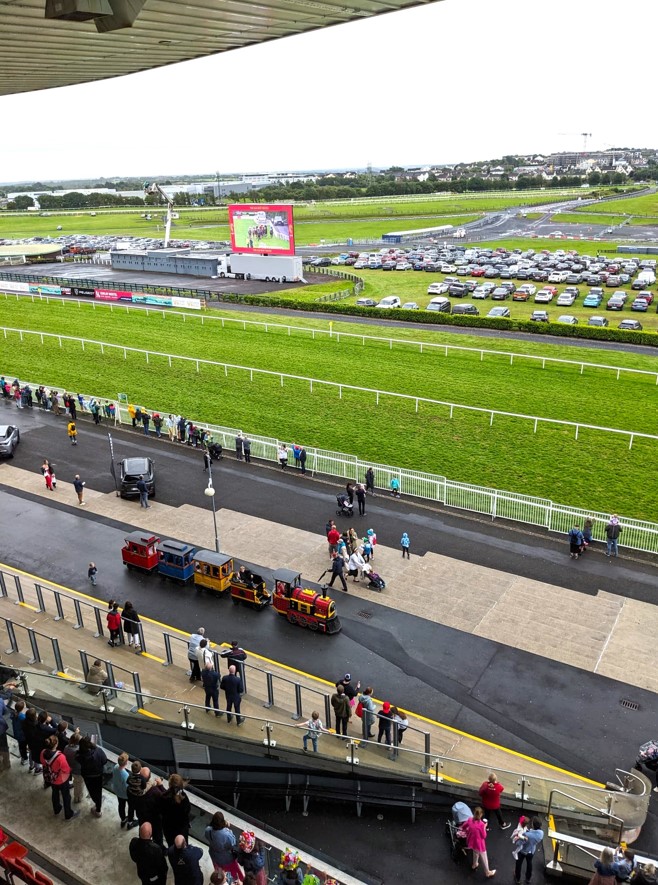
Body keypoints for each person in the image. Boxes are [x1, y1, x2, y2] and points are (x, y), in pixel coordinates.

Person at [41, 733, 78, 820]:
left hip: (51, 778)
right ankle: (68, 814)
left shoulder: (43, 752)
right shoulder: (60, 757)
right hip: (61, 779)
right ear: (56, 744)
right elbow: (66, 769)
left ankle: (57, 809)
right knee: (66, 796)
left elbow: (43, 763)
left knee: (55, 793)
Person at [205, 812, 243, 881]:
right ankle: (236, 882)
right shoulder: (226, 834)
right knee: (234, 872)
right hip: (226, 857)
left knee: (219, 871)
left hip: (214, 855)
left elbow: (207, 837)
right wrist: (228, 830)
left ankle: (220, 880)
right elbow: (233, 843)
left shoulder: (208, 830)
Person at [78, 735, 108, 818]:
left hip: (87, 776)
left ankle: (96, 801)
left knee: (91, 790)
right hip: (97, 776)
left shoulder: (80, 755)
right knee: (98, 791)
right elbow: (104, 761)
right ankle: (98, 809)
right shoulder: (98, 751)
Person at [461, 806, 496, 878]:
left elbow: (464, 826)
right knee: (484, 857)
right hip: (479, 844)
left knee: (475, 853)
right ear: (481, 815)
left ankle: (474, 864)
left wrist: (465, 830)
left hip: (471, 842)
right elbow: (484, 836)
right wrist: (484, 827)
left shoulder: (470, 819)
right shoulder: (481, 824)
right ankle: (488, 872)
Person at [159, 774, 191, 847]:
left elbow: (161, 811)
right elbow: (187, 811)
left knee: (171, 846)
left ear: (169, 784)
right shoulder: (183, 798)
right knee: (183, 846)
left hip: (168, 827)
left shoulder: (164, 797)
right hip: (181, 829)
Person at [514, 816, 543, 884]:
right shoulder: (541, 833)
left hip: (522, 851)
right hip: (531, 851)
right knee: (529, 864)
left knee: (519, 864)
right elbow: (533, 835)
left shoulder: (526, 835)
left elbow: (518, 844)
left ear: (532, 824)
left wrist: (517, 838)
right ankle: (528, 878)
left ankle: (518, 878)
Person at [112, 751, 130, 827]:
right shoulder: (125, 775)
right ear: (126, 763)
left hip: (117, 791)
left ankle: (123, 819)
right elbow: (126, 787)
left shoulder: (115, 767)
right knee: (130, 806)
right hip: (125, 794)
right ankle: (130, 819)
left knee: (121, 806)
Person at [10, 698, 28, 765]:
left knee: (21, 746)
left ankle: (23, 756)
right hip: (22, 736)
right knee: (23, 747)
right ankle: (25, 759)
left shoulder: (14, 713)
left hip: (17, 734)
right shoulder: (22, 717)